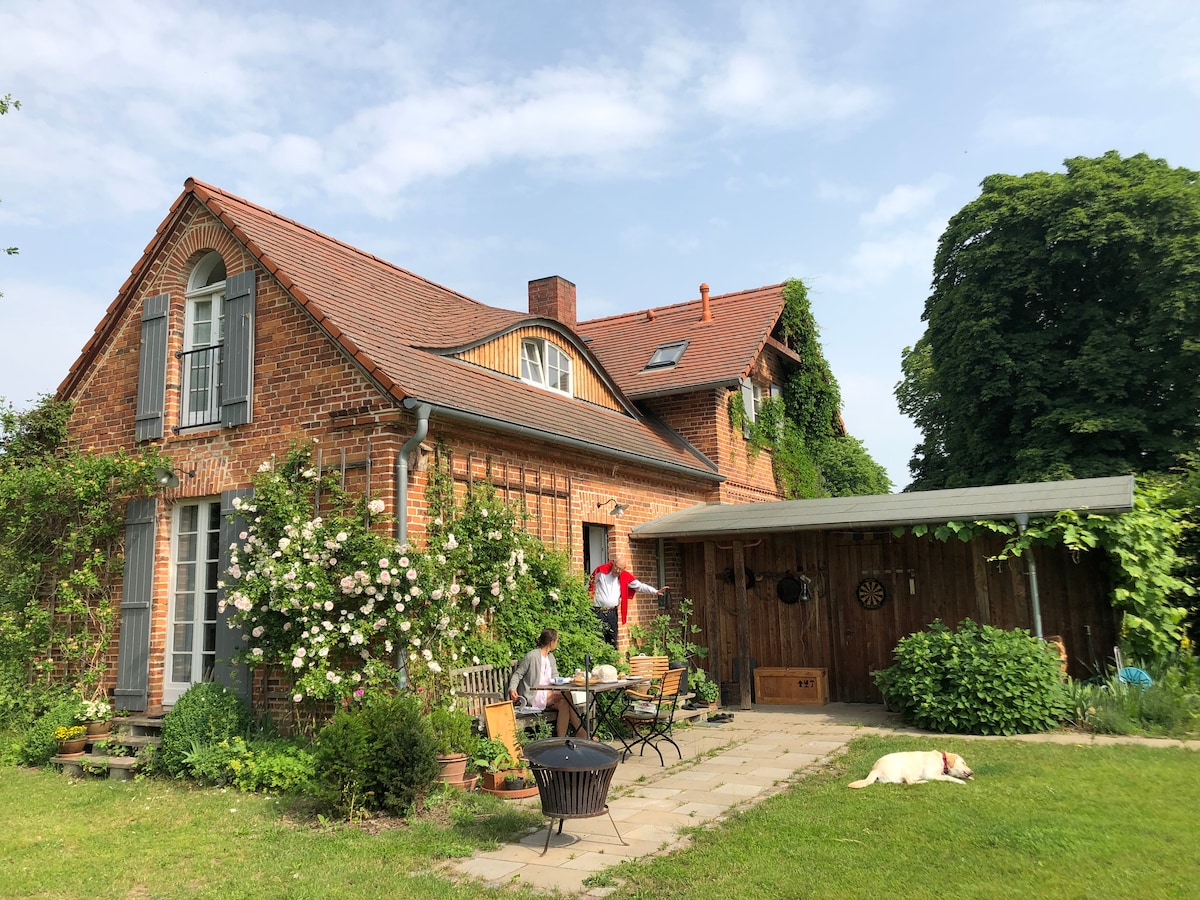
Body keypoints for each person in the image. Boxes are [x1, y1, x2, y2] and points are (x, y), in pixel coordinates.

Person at [508, 628, 588, 739]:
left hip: (548, 693)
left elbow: (555, 677)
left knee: (564, 703)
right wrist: (512, 689)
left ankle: (561, 739)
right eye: (557, 640)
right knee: (567, 695)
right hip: (534, 695)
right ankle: (581, 731)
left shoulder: (551, 658)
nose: (557, 643)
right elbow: (518, 674)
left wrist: (566, 681)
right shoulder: (532, 656)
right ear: (551, 642)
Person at [588, 554, 668, 646]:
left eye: (620, 569)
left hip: (612, 613)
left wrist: (655, 591)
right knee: (597, 641)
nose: (617, 570)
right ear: (613, 563)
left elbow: (640, 586)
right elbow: (590, 584)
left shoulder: (625, 576)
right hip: (598, 612)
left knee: (612, 641)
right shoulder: (601, 571)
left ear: (624, 569)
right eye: (616, 567)